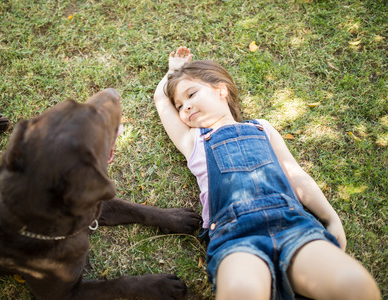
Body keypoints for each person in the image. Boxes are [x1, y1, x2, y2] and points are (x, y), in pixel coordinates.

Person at [153, 46, 381, 300]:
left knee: (354, 285)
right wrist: (172, 71)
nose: (185, 107)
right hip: (235, 236)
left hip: (292, 224)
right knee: (243, 291)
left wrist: (330, 217)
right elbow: (162, 101)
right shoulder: (193, 141)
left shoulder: (262, 128)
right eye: (180, 105)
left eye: (191, 94)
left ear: (221, 90)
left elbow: (296, 176)